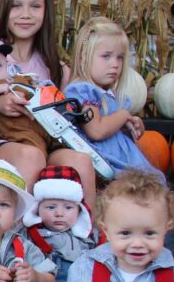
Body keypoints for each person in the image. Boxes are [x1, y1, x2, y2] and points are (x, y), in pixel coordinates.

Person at [0, 0, 96, 208]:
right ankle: (21, 235)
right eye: (16, 6)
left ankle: (87, 235)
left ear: (46, 12)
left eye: (35, 6)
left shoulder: (54, 66)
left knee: (81, 161)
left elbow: (71, 112)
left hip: (44, 142)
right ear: (4, 9)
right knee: (30, 156)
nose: (25, 14)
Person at [64, 17, 164, 181]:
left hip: (123, 159)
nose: (115, 64)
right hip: (106, 163)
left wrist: (130, 126)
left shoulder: (110, 95)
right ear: (84, 57)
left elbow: (112, 129)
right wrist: (123, 115)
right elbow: (96, 131)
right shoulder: (84, 91)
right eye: (106, 56)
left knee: (154, 184)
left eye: (120, 57)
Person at [19, 165, 98, 282]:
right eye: (51, 207)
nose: (59, 213)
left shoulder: (87, 236)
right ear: (37, 209)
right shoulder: (33, 234)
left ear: (79, 210)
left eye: (68, 207)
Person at [0, 43, 56, 157]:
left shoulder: (16, 77)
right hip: (15, 128)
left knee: (54, 136)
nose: (7, 66)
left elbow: (34, 84)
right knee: (34, 147)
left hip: (37, 120)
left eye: (6, 62)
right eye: (0, 66)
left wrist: (39, 85)